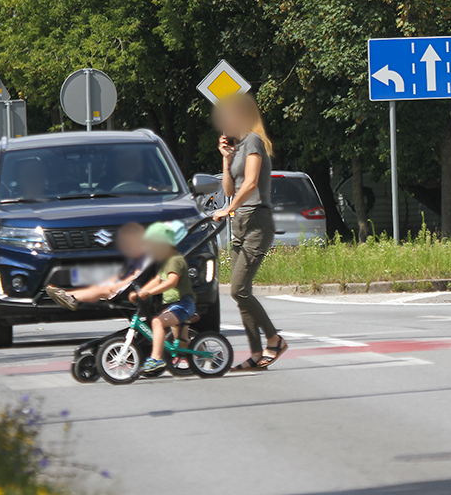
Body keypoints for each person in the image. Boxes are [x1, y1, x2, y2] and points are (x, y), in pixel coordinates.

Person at [212, 92, 287, 371]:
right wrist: (226, 158)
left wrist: (226, 209)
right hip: (241, 222)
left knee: (239, 289)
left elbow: (252, 182)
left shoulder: (254, 141)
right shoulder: (239, 147)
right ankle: (256, 354)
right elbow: (229, 189)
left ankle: (274, 339)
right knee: (239, 292)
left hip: (257, 220)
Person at [130, 220, 196, 375]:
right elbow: (157, 280)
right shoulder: (165, 262)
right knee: (180, 339)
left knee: (157, 322)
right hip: (174, 305)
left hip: (183, 304)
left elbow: (172, 282)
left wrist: (151, 293)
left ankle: (156, 358)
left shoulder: (174, 260)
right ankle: (197, 356)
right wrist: (141, 293)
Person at [45, 223, 149, 310]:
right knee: (103, 285)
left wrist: (117, 286)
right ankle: (69, 295)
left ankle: (72, 297)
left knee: (105, 289)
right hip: (133, 284)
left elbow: (138, 276)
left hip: (137, 288)